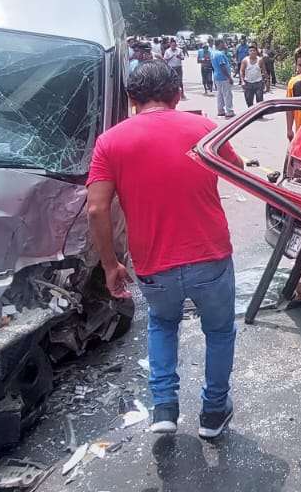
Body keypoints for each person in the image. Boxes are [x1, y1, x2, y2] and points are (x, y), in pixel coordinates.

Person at [85, 61, 240, 439]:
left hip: (154, 263)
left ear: (131, 99)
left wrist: (110, 264)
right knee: (219, 332)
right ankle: (213, 413)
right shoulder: (204, 129)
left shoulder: (111, 141)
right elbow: (238, 172)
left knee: (162, 324)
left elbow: (96, 207)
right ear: (177, 94)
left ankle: (164, 409)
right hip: (211, 255)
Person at [210, 41, 235, 117]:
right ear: (220, 44)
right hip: (223, 77)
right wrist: (229, 77)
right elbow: (222, 66)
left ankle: (220, 110)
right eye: (223, 43)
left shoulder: (213, 53)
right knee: (227, 95)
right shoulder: (220, 54)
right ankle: (229, 111)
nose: (225, 44)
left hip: (217, 76)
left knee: (220, 94)